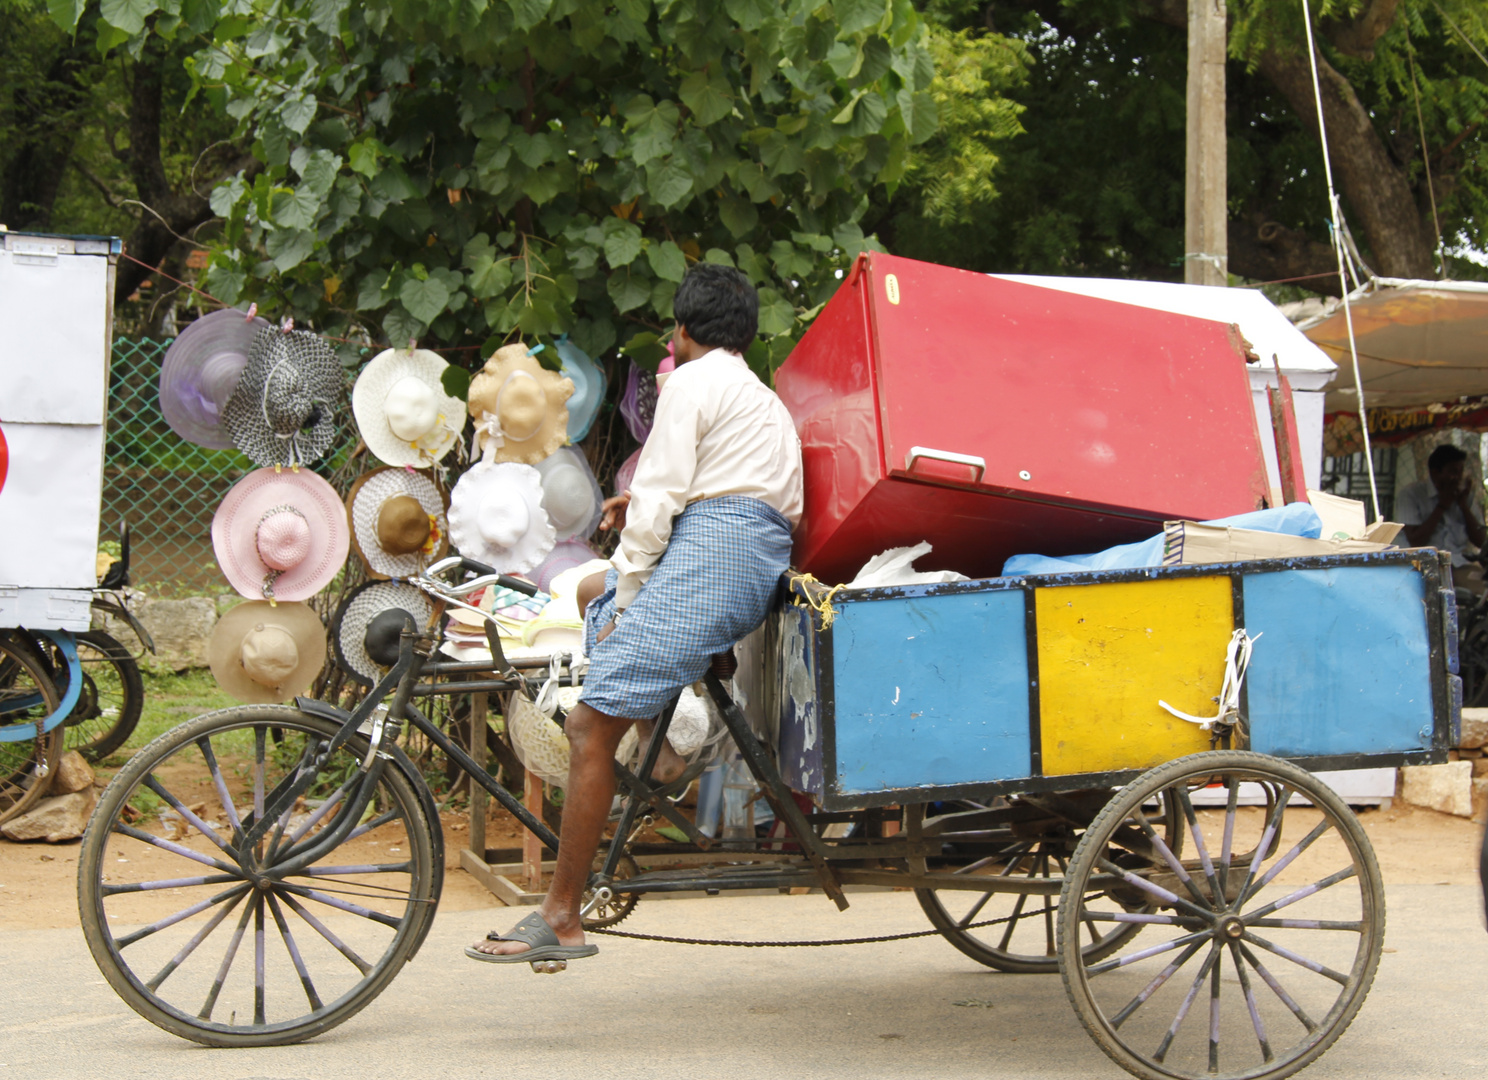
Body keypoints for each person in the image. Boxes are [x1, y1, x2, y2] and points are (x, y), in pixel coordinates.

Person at [467, 263, 804, 966]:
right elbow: (715, 496)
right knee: (590, 593)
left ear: (680, 333)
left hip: (718, 561)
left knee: (590, 723)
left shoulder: (689, 384)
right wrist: (621, 583)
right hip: (741, 558)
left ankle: (561, 914)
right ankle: (665, 745)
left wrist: (631, 594)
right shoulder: (757, 395)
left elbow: (657, 508)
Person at [1399, 444, 1488, 592]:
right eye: (1453, 472)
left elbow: (1480, 540)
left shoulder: (1463, 497)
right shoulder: (1411, 494)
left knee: (1482, 589)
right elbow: (1415, 540)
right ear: (1435, 473)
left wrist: (1463, 506)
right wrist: (1442, 506)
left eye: (1460, 472)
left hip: (1458, 563)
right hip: (1423, 564)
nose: (1458, 478)